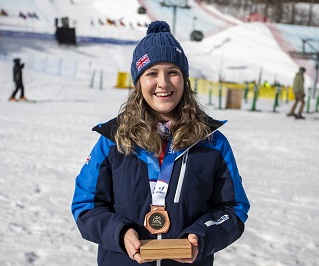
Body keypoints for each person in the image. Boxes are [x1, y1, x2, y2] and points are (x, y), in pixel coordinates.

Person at [71, 21, 250, 266]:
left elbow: (233, 208)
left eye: (172, 72)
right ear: (139, 82)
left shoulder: (212, 144)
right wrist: (120, 233)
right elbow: (86, 205)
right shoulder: (113, 141)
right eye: (152, 73)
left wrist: (201, 236)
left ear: (184, 80)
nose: (163, 83)